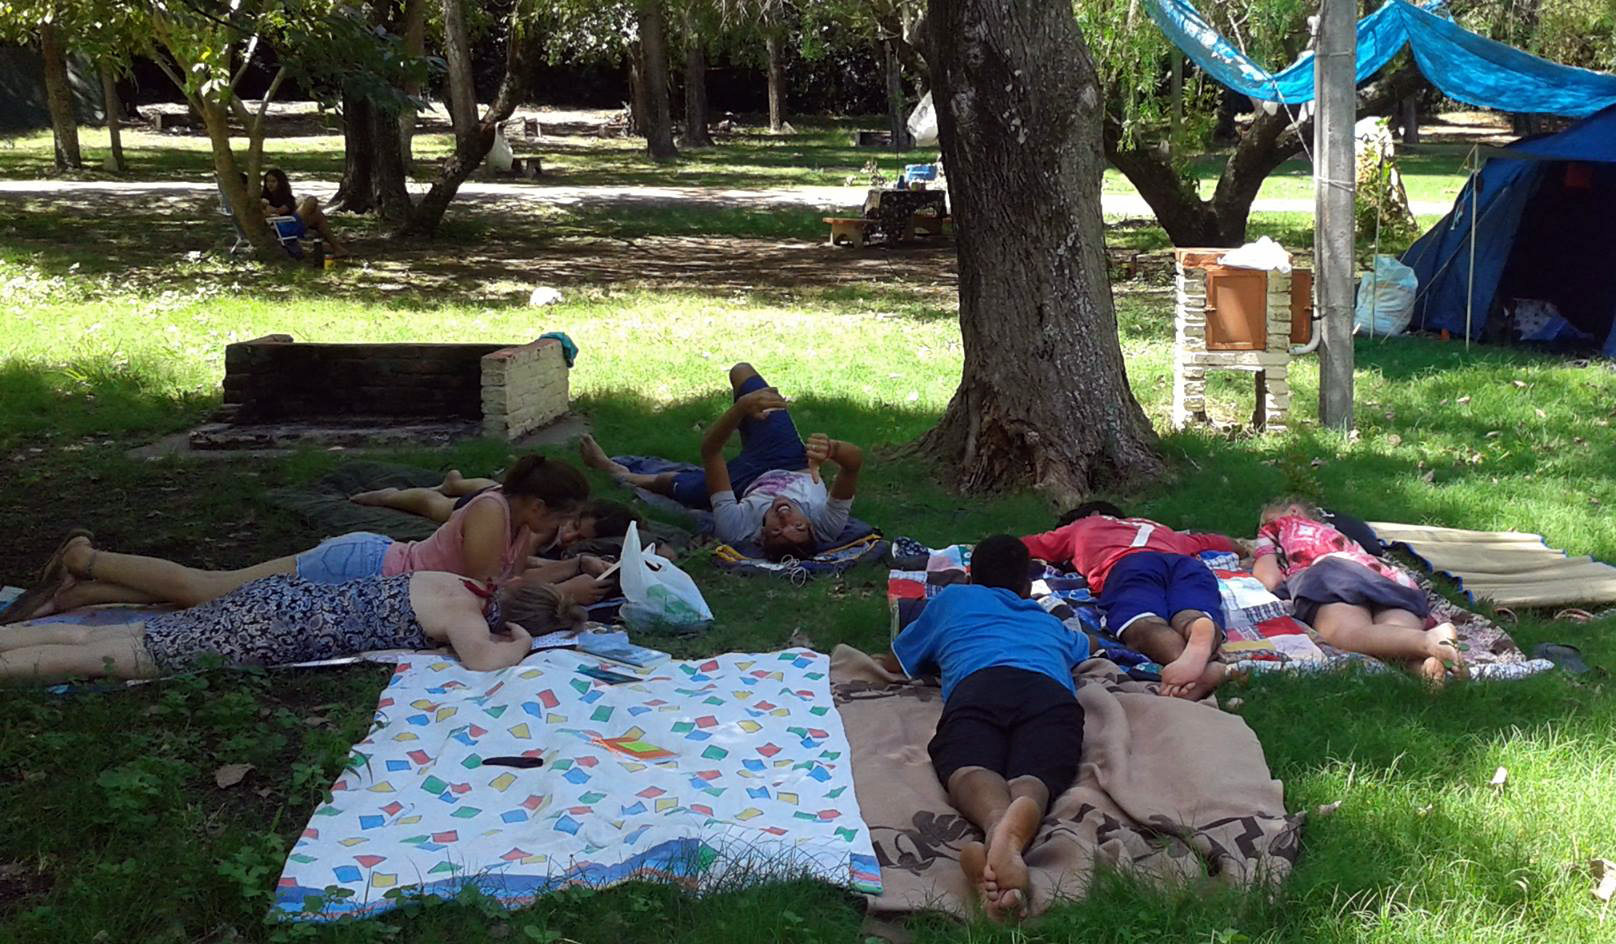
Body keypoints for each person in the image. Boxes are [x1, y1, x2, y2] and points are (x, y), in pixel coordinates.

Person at [1, 455, 591, 623]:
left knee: (209, 599)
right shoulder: (491, 513)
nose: (560, 532)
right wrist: (568, 584)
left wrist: (579, 575)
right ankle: (86, 557)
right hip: (358, 568)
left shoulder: (520, 527)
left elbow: (516, 579)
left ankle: (80, 595)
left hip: (371, 579)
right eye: (561, 519)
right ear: (537, 504)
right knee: (210, 590)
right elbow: (491, 585)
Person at [891, 534, 1091, 919]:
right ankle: (1012, 837)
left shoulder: (952, 601)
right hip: (1048, 691)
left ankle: (997, 826)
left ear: (971, 577)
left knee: (968, 762)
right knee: (1038, 770)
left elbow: (902, 658)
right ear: (1025, 587)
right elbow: (1082, 648)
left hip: (979, 685)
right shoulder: (1043, 619)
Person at [0, 571, 585, 687]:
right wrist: (523, 645)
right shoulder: (465, 619)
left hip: (272, 600)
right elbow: (483, 662)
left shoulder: (454, 583)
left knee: (108, 637)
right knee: (106, 656)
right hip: (263, 630)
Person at [579, 362, 862, 560]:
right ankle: (754, 424)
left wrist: (739, 411)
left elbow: (711, 452)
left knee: (673, 485)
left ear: (762, 536)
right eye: (798, 527)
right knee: (742, 372)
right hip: (788, 458)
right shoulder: (827, 524)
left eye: (777, 529)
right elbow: (853, 464)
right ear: (811, 527)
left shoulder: (737, 527)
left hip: (744, 483)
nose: (786, 516)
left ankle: (610, 467)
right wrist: (832, 448)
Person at [1021, 502, 1242, 700]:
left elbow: (1024, 546)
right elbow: (1213, 541)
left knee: (1143, 624)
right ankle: (1197, 628)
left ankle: (1184, 660)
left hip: (1129, 566)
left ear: (1091, 514)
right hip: (1185, 564)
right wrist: (1244, 546)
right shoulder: (1160, 529)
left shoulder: (1083, 526)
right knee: (1190, 613)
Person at [1250, 501, 1462, 682]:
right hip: (1388, 578)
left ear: (1293, 511)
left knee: (1348, 635)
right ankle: (1426, 668)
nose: (1264, 525)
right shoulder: (1341, 535)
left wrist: (1263, 544)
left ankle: (1430, 640)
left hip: (1331, 574)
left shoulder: (1281, 525)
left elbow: (1267, 580)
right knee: (1392, 640)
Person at [351, 471, 634, 556]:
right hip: (490, 503)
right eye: (573, 525)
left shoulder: (544, 517)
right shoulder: (544, 524)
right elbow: (516, 563)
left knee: (494, 488)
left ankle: (456, 483)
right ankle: (386, 495)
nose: (568, 535)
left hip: (508, 496)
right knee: (435, 505)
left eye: (579, 538)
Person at [258, 167, 346, 256]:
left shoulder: (287, 198)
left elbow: (280, 211)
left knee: (317, 213)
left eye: (273, 181)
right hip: (280, 229)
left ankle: (337, 248)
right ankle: (337, 248)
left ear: (281, 183)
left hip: (288, 225)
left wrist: (269, 208)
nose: (269, 184)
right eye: (267, 182)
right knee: (313, 205)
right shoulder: (263, 197)